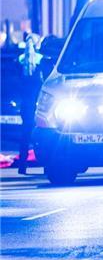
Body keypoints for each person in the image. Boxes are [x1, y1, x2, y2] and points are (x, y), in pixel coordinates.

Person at [16, 32, 45, 175]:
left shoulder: (20, 60)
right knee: (42, 133)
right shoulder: (41, 60)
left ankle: (22, 165)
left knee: (25, 135)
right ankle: (46, 164)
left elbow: (17, 83)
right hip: (38, 102)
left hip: (26, 104)